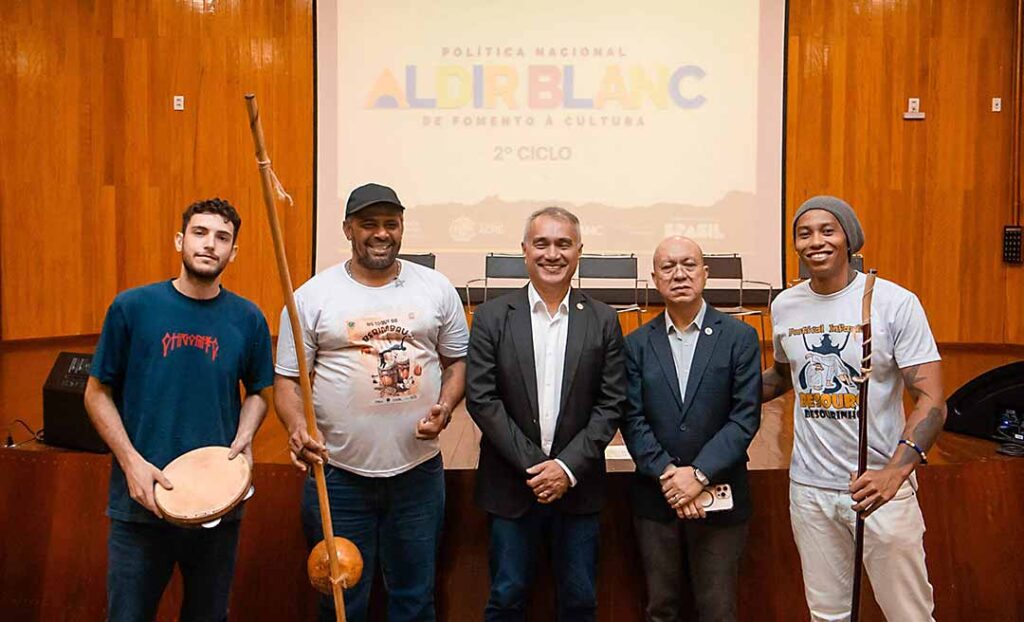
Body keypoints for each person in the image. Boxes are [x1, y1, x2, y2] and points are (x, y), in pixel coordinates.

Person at [276, 183, 468, 622]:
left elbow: (457, 362)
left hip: (417, 474)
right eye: (368, 224)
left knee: (415, 600)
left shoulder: (436, 288)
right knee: (341, 601)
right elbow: (287, 381)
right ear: (348, 229)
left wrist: (445, 407)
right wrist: (297, 427)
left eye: (390, 224)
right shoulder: (311, 297)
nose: (381, 234)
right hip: (337, 476)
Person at [84, 198, 274, 621]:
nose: (209, 244)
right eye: (199, 233)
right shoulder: (132, 308)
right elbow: (96, 393)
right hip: (141, 502)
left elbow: (260, 392)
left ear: (233, 252)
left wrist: (246, 435)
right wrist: (131, 463)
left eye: (222, 238)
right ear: (179, 240)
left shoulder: (249, 318)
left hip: (217, 503)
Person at [762, 195, 946, 621]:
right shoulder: (785, 305)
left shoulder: (894, 302)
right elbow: (784, 376)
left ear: (849, 238)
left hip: (880, 488)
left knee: (909, 614)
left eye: (827, 231)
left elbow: (932, 399)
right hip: (809, 489)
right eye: (804, 234)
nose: (815, 242)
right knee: (827, 615)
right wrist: (718, 393)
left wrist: (895, 474)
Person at [466, 206, 626, 622]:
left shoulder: (604, 319)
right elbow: (482, 398)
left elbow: (611, 403)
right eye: (541, 244)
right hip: (510, 486)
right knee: (506, 599)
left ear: (579, 252)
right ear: (524, 250)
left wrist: (566, 469)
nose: (552, 254)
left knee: (579, 602)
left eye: (563, 244)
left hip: (579, 487)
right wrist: (540, 468)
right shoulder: (491, 317)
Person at [620, 236, 762, 622]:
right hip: (657, 497)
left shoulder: (740, 338)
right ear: (654, 279)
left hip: (721, 493)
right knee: (660, 608)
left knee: (718, 610)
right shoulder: (635, 344)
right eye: (668, 267)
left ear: (705, 273)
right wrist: (670, 476)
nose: (679, 274)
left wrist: (698, 475)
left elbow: (744, 417)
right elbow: (631, 418)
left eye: (689, 264)